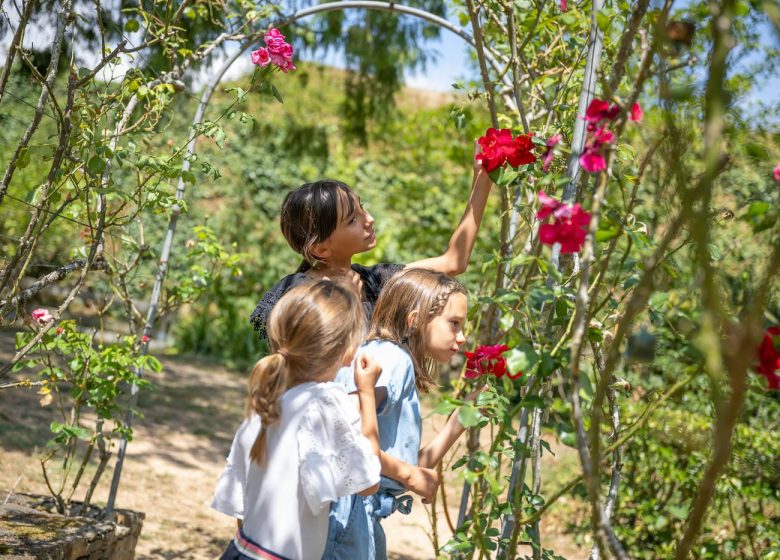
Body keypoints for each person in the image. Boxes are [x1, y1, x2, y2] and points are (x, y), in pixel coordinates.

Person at [249, 146, 492, 341]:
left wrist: (482, 179)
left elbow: (453, 261)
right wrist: (349, 302)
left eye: (362, 207)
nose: (369, 219)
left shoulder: (374, 282)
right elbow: (310, 362)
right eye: (353, 219)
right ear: (320, 248)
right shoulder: (298, 292)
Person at [216, 280, 383, 560]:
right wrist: (366, 393)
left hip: (240, 550)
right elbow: (369, 481)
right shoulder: (325, 401)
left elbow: (242, 507)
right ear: (347, 350)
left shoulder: (267, 397)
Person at [323, 268, 477, 560]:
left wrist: (459, 423)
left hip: (358, 510)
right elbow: (343, 432)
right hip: (349, 510)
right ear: (415, 320)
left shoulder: (389, 356)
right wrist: (409, 475)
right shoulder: (393, 358)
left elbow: (396, 461)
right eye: (454, 324)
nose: (463, 337)